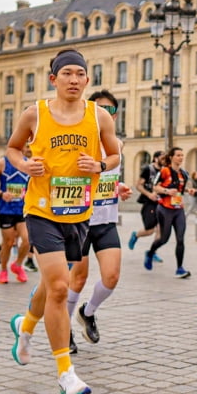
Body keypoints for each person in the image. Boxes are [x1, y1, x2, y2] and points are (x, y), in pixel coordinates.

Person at [6, 49, 120, 394]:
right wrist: (24, 166)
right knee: (59, 287)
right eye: (66, 73)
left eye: (80, 74)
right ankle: (65, 373)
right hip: (41, 211)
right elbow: (12, 149)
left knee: (49, 284)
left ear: (88, 79)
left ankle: (25, 327)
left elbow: (115, 155)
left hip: (78, 214)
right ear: (53, 79)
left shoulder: (99, 116)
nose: (74, 79)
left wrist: (99, 166)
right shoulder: (34, 114)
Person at [68, 90, 130, 346]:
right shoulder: (76, 142)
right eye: (100, 108)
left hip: (105, 220)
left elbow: (107, 178)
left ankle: (88, 312)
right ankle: (65, 331)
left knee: (111, 276)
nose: (106, 113)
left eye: (111, 110)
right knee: (78, 278)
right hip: (80, 220)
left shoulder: (117, 146)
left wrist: (120, 187)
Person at [146, 148, 191, 278]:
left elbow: (180, 189)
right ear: (171, 157)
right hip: (165, 209)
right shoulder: (165, 171)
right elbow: (155, 187)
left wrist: (190, 191)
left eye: (182, 155)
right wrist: (166, 191)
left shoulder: (184, 173)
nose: (180, 158)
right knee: (164, 239)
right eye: (178, 155)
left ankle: (180, 268)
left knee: (181, 239)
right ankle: (150, 253)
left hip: (178, 209)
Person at [0, 154, 30, 284]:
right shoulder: (2, 163)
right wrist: (1, 193)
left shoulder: (29, 163)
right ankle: (3, 269)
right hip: (6, 209)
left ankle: (17, 265)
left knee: (28, 240)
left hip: (23, 208)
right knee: (8, 242)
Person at [126, 156, 161, 251]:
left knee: (160, 230)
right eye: (162, 157)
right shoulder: (148, 169)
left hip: (161, 203)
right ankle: (136, 235)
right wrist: (149, 195)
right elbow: (138, 185)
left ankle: (153, 252)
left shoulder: (165, 170)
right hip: (149, 203)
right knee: (150, 230)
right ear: (156, 158)